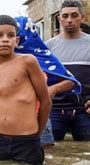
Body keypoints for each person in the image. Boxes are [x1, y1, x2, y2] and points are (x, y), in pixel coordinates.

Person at [0, 15, 51, 165]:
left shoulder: (28, 62)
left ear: (16, 41)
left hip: (27, 139)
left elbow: (45, 101)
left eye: (11, 35)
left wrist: (36, 135)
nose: (5, 39)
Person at [15, 16, 81, 148]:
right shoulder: (4, 57)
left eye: (14, 33)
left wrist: (51, 90)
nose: (7, 38)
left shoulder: (43, 56)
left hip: (39, 116)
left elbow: (70, 81)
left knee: (45, 158)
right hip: (11, 118)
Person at [45, 0, 90, 141]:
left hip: (85, 110)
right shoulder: (48, 47)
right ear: (59, 19)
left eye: (74, 15)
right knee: (53, 154)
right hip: (54, 110)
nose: (69, 20)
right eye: (65, 16)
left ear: (83, 17)